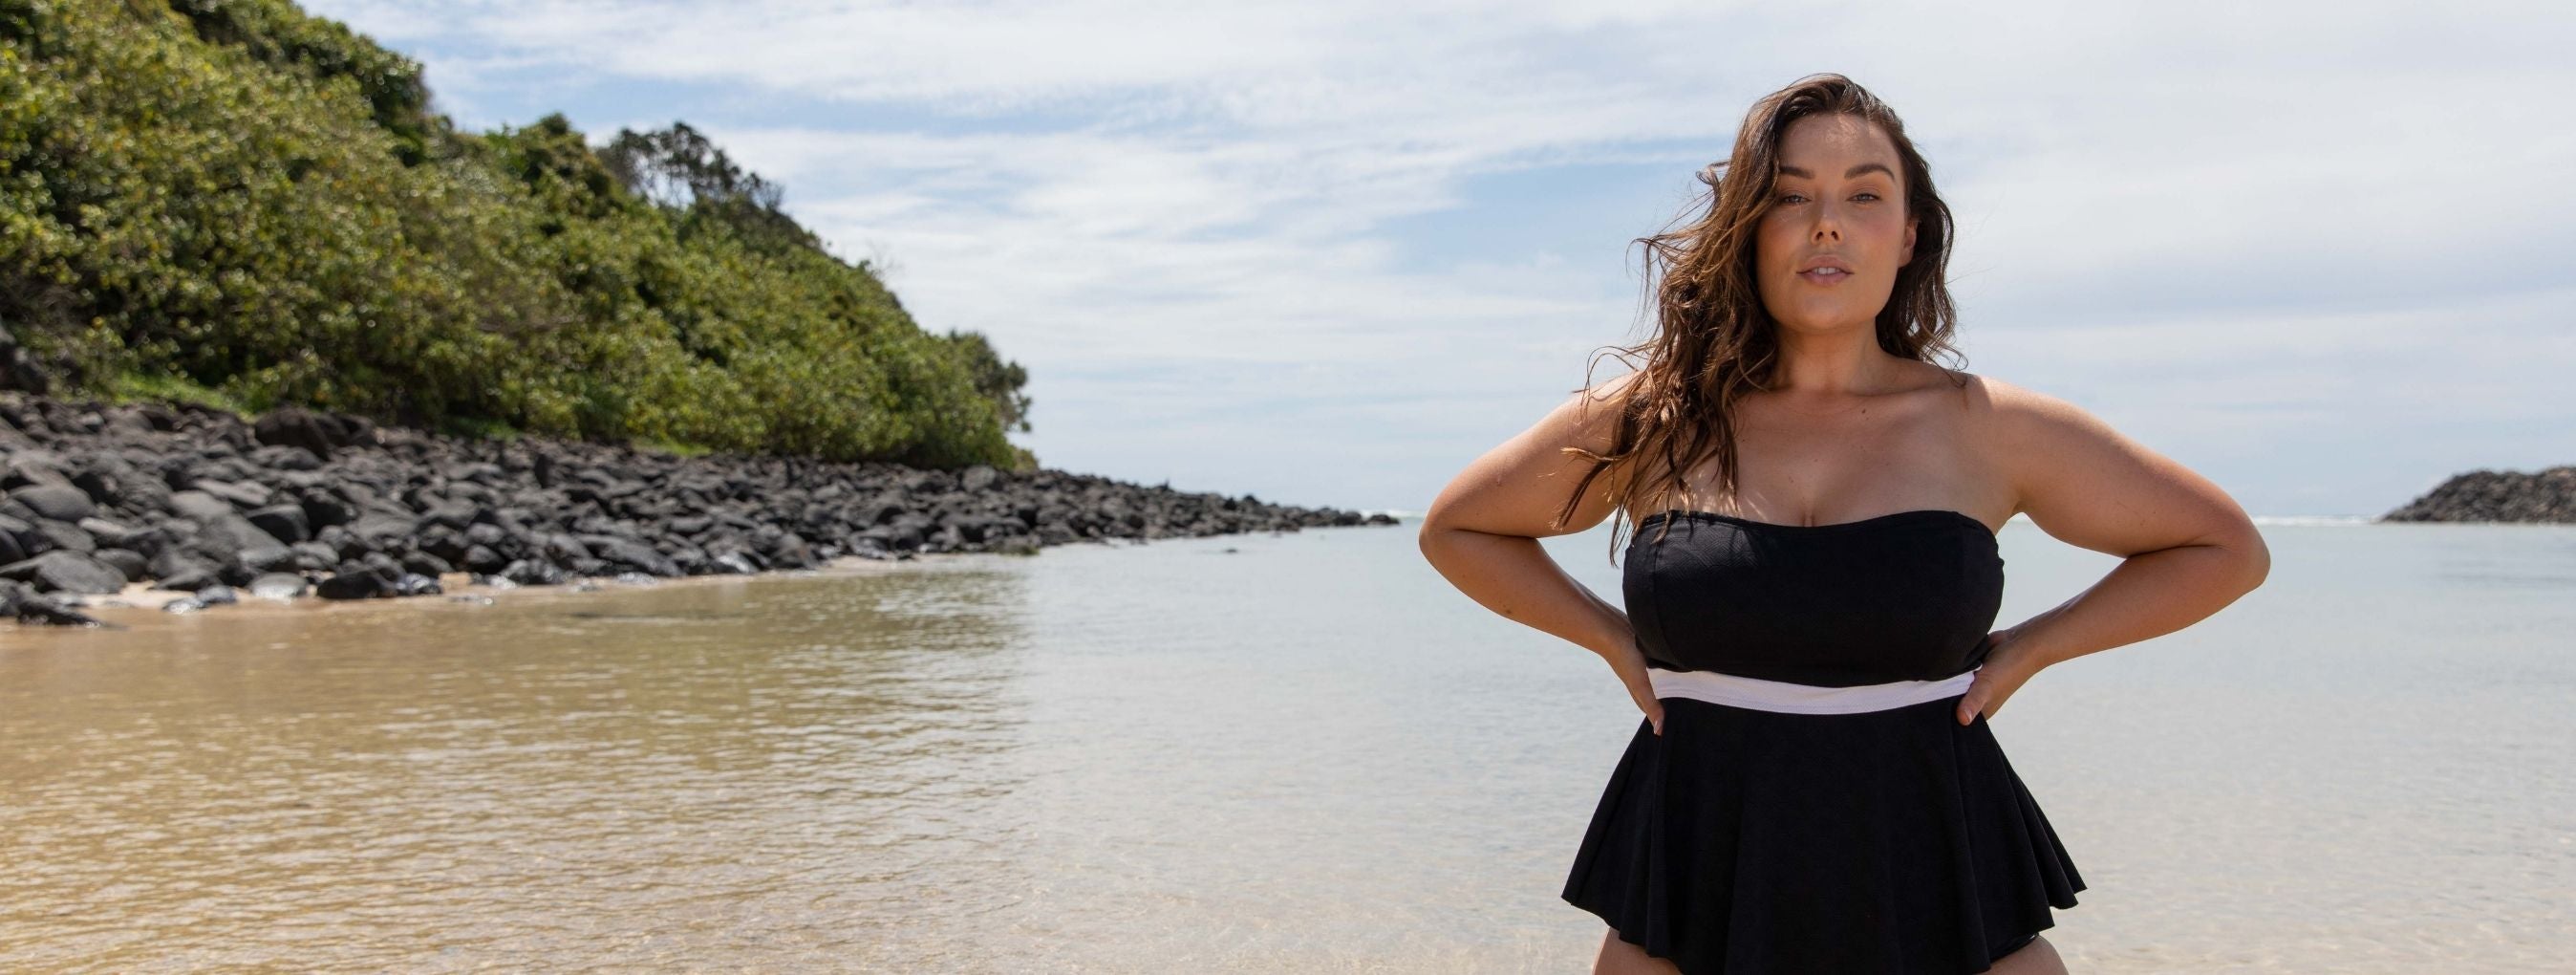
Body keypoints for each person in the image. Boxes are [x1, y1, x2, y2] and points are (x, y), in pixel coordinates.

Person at [1415, 74, 2271, 974]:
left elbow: (2223, 550)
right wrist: (1608, 638)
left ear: (1908, 236)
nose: (1827, 222)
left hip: (1941, 872)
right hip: (1690, 884)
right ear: (1748, 229)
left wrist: (2035, 646)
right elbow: (1461, 529)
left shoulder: (1993, 427)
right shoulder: (1658, 417)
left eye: (1863, 194)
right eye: (1791, 196)